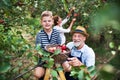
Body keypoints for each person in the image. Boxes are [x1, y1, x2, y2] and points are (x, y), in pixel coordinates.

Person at [34, 11, 61, 80]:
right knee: (37, 74)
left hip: (55, 58)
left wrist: (53, 57)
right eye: (44, 21)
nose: (47, 23)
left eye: (49, 21)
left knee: (57, 75)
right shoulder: (39, 34)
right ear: (41, 22)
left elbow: (59, 47)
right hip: (43, 60)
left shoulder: (57, 33)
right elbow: (38, 50)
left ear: (52, 22)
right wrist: (45, 58)